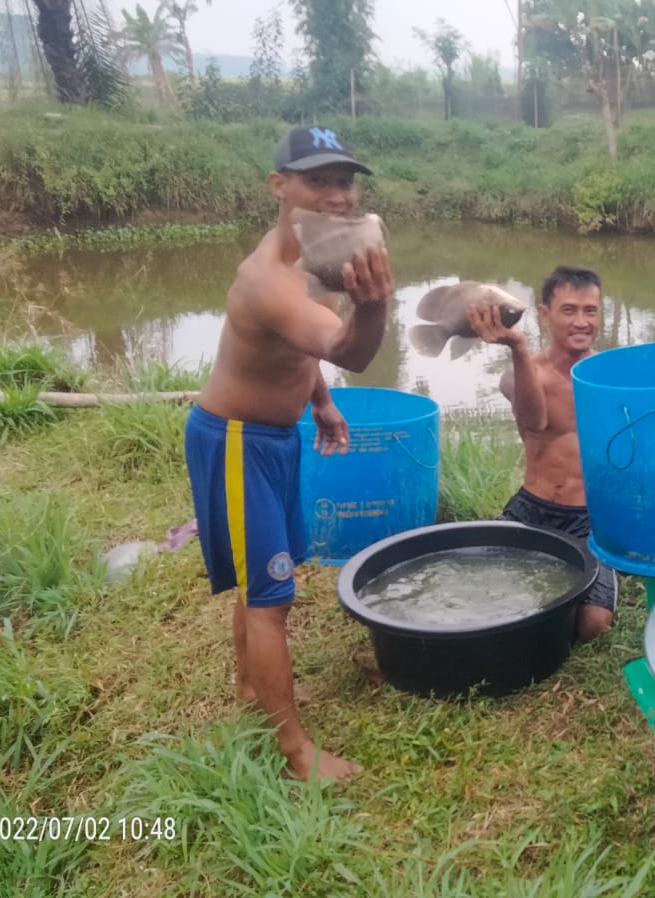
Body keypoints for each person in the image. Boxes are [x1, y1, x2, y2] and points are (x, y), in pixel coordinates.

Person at [185, 124, 394, 783]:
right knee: (272, 595)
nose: (337, 195)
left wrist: (322, 403)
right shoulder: (269, 280)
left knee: (262, 581)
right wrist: (376, 303)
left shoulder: (315, 256)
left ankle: (252, 692)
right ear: (278, 186)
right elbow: (352, 349)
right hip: (238, 440)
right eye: (317, 181)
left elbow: (304, 352)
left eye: (344, 181)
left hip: (272, 437)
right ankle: (296, 754)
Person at [468, 265, 619, 641]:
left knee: (593, 625)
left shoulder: (612, 378)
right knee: (473, 587)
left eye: (591, 310)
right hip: (530, 509)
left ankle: (599, 573)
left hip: (588, 520)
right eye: (569, 310)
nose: (581, 321)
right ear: (545, 313)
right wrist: (518, 346)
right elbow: (533, 422)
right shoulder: (524, 371)